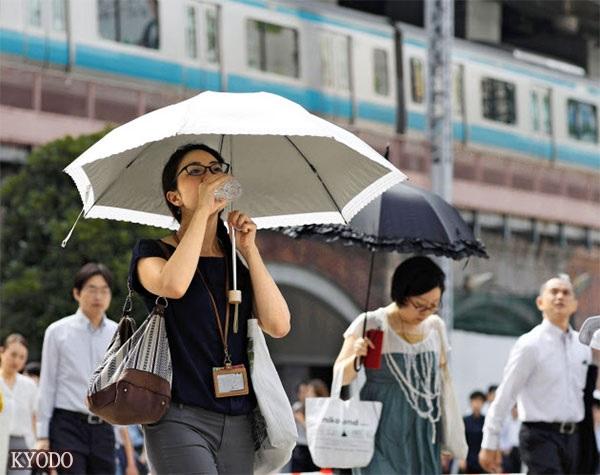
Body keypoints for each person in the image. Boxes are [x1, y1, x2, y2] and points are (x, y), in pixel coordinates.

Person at [130, 143, 290, 474]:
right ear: (174, 197)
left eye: (216, 169)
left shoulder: (236, 260)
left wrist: (249, 249)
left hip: (238, 418)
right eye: (195, 171)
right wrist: (202, 212)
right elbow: (173, 285)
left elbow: (278, 325)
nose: (209, 177)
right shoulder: (152, 251)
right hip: (177, 414)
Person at [334, 256, 466, 474]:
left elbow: (442, 383)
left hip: (423, 431)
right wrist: (356, 356)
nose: (426, 313)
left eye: (434, 305)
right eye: (419, 305)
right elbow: (341, 376)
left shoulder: (435, 327)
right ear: (401, 294)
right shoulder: (371, 323)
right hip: (379, 429)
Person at [479, 275, 591, 474]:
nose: (560, 297)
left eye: (566, 293)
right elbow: (506, 393)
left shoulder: (582, 347)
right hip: (540, 435)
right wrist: (490, 440)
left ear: (574, 304)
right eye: (554, 292)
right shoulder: (530, 344)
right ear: (540, 302)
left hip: (574, 439)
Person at [36, 263, 131, 474]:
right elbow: (47, 384)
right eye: (91, 288)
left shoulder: (119, 333)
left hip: (104, 427)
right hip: (67, 425)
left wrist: (119, 430)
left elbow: (120, 384)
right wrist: (42, 435)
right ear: (77, 293)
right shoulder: (57, 332)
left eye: (104, 289)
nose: (98, 295)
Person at [0, 334, 38, 475]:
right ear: (2, 352)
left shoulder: (29, 385)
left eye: (22, 357)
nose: (16, 360)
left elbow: (35, 417)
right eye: (13, 354)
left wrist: (36, 444)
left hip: (22, 444)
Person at [291, 379, 329, 472]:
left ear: (318, 395)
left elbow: (317, 432)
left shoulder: (323, 410)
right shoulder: (298, 407)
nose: (306, 394)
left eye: (309, 391)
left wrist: (302, 420)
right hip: (300, 448)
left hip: (316, 448)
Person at [461, 390, 486, 474]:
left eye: (480, 401)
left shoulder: (486, 420)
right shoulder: (465, 420)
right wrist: (462, 458)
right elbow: (461, 440)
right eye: (475, 401)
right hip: (468, 456)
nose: (477, 404)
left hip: (482, 456)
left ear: (483, 403)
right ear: (471, 403)